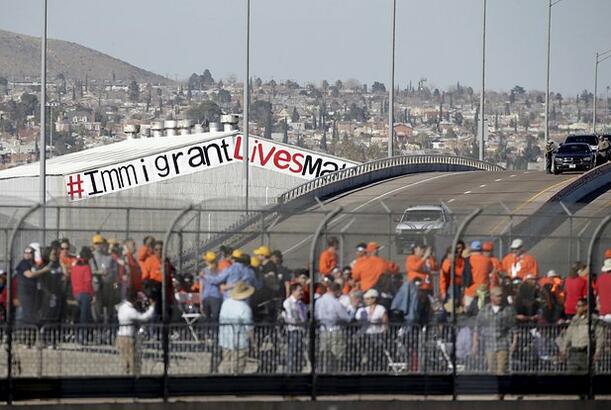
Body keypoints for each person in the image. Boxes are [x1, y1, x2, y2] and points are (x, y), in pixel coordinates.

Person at [473, 287, 516, 375]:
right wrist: (475, 344)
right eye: (498, 296)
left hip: (503, 344)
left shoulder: (508, 310)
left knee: (502, 370)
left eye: (501, 296)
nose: (500, 298)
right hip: (489, 345)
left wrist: (514, 343)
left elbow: (514, 328)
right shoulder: (484, 310)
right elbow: (477, 327)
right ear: (492, 297)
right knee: (491, 371)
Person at [218, 281, 255, 374]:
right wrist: (253, 342)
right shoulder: (245, 308)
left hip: (225, 338)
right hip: (240, 341)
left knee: (227, 362)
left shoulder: (226, 303)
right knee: (238, 366)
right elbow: (249, 328)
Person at [315, 282, 353, 372]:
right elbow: (347, 318)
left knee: (324, 354)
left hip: (323, 330)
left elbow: (316, 316)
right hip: (335, 331)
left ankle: (323, 372)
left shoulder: (318, 301)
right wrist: (352, 309)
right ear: (337, 291)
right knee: (337, 355)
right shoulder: (336, 303)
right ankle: (334, 373)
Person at [560, 298, 604, 373]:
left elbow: (600, 336)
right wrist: (563, 349)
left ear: (585, 307)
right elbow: (568, 335)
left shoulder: (593, 320)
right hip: (574, 353)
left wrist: (598, 352)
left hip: (586, 354)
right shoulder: (574, 320)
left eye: (579, 306)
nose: (576, 308)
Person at [116, 290, 155, 375]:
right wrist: (152, 308)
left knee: (124, 361)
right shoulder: (130, 311)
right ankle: (134, 379)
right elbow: (143, 317)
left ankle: (124, 378)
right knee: (133, 360)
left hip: (121, 336)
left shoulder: (122, 307)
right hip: (128, 338)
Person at [356, 288, 388, 371]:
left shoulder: (381, 309)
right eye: (365, 299)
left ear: (373, 299)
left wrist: (384, 334)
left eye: (367, 299)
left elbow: (385, 323)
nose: (365, 300)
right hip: (365, 335)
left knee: (375, 351)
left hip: (378, 334)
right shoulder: (362, 310)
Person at [90, 233, 118, 323]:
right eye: (96, 243)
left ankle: (108, 325)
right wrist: (99, 272)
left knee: (110, 307)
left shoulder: (109, 257)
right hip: (96, 286)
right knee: (97, 308)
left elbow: (115, 272)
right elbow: (89, 271)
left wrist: (116, 287)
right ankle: (98, 326)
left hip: (109, 285)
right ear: (93, 245)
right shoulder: (91, 257)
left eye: (100, 243)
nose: (98, 245)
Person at [282, 283, 307, 373]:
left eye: (302, 290)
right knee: (292, 352)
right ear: (293, 291)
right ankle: (290, 371)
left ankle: (298, 371)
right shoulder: (288, 303)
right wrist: (298, 322)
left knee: (299, 353)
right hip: (292, 330)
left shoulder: (302, 304)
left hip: (301, 331)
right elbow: (288, 318)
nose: (302, 292)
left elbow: (304, 318)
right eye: (299, 290)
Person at [15, 246, 41, 325]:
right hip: (25, 294)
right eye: (27, 253)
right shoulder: (24, 263)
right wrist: (43, 271)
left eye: (31, 253)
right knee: (24, 315)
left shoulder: (32, 264)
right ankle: (20, 332)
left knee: (31, 315)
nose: (29, 254)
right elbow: (29, 275)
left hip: (32, 294)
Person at [464, 241, 493, 308]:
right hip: (483, 291)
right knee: (483, 312)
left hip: (470, 291)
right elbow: (490, 271)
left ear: (471, 250)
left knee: (470, 314)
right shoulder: (487, 260)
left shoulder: (467, 260)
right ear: (481, 250)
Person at [71, 247, 95, 325]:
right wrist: (93, 295)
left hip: (76, 293)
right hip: (85, 293)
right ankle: (83, 334)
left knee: (79, 314)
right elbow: (88, 283)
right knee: (85, 317)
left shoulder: (74, 266)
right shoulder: (86, 267)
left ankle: (77, 333)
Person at [200, 251, 223, 321]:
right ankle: (215, 332)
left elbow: (201, 287)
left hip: (206, 297)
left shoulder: (203, 271)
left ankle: (206, 332)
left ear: (207, 261)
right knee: (215, 319)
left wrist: (201, 301)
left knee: (206, 319)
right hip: (216, 297)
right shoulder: (219, 271)